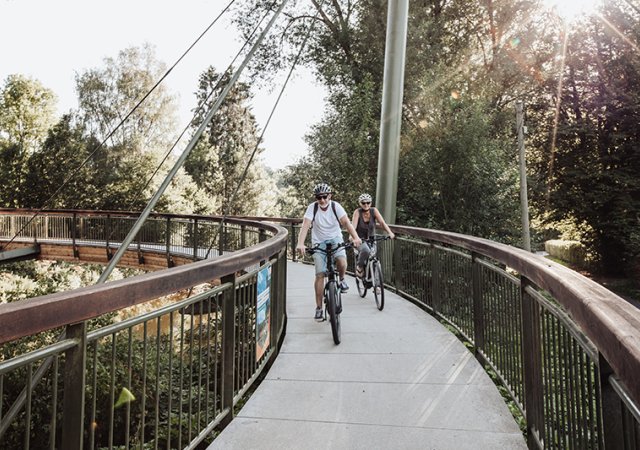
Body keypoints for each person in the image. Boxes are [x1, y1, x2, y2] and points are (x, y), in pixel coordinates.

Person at [296, 183, 362, 321]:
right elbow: (305, 225)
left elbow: (346, 223)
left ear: (329, 196)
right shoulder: (312, 208)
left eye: (325, 197)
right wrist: (300, 243)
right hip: (318, 242)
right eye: (319, 197)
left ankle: (342, 279)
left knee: (342, 261)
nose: (322, 200)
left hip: (335, 238)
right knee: (320, 274)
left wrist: (355, 237)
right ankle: (319, 308)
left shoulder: (335, 206)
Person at [351, 193, 395, 278]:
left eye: (368, 202)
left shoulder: (374, 210)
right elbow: (353, 227)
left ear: (371, 203)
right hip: (360, 239)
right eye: (363, 203)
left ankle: (377, 285)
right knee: (366, 251)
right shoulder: (357, 212)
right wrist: (352, 237)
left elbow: (382, 223)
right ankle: (359, 267)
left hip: (371, 238)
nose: (366, 205)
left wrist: (390, 232)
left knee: (374, 259)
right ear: (360, 203)